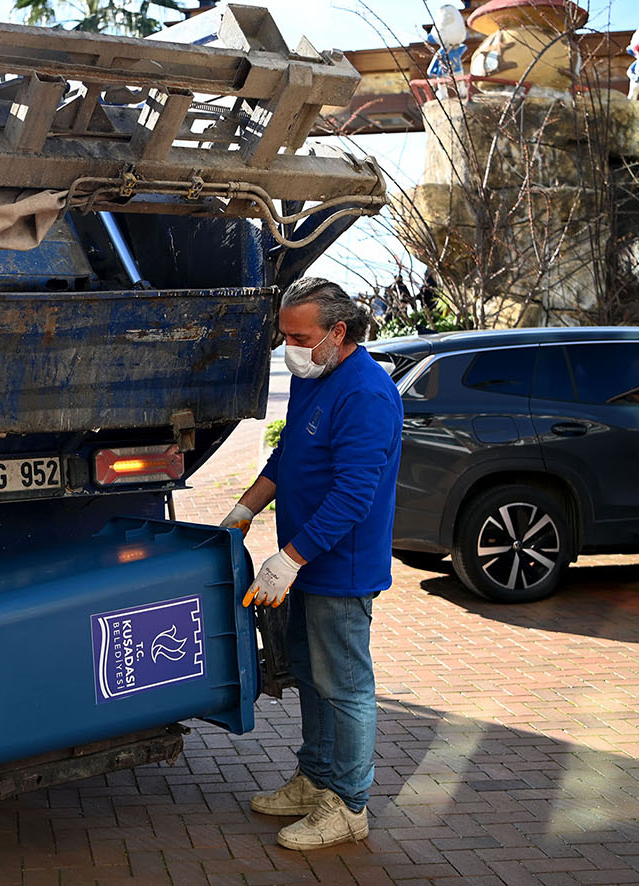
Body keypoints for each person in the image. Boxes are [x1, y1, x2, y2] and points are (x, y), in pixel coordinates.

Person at [220, 277, 403, 850]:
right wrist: (244, 510)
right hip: (302, 563)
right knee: (310, 674)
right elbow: (288, 455)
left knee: (343, 686)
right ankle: (315, 779)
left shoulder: (366, 394)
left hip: (337, 568)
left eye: (299, 337)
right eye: (285, 336)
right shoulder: (314, 378)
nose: (289, 349)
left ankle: (348, 804)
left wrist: (290, 560)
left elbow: (353, 496)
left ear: (337, 332)